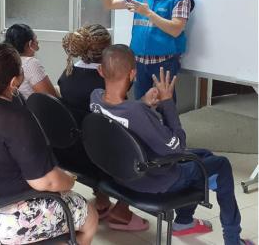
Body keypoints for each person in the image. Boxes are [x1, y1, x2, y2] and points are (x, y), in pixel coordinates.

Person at [89, 44, 254, 245]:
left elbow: (124, 115)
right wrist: (167, 103)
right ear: (133, 73)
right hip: (154, 181)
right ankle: (232, 239)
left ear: (100, 71)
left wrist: (142, 103)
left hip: (121, 172)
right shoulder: (138, 114)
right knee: (222, 165)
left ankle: (185, 221)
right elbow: (177, 146)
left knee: (204, 155)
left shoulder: (96, 98)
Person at [0, 43, 98, 245]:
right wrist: (70, 181)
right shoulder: (15, 119)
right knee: (89, 215)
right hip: (1, 221)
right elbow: (46, 183)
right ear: (13, 82)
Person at [57, 25, 149, 231]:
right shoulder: (107, 81)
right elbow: (121, 116)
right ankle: (121, 212)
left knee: (97, 131)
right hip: (98, 157)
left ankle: (101, 201)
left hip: (69, 152)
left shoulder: (67, 74)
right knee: (136, 143)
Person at [100, 0, 194, 101]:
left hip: (164, 62)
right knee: (141, 102)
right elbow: (110, 4)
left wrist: (148, 13)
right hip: (139, 61)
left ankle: (167, 124)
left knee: (164, 102)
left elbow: (176, 29)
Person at [4, 24, 57, 99]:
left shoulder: (2, 61)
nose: (37, 42)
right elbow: (52, 99)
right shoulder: (30, 63)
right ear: (29, 44)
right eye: (35, 39)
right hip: (30, 110)